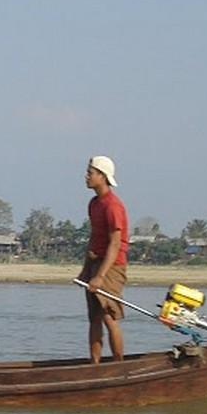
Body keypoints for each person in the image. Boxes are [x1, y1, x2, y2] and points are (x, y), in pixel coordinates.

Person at [79, 155, 129, 363]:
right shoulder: (94, 203)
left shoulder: (112, 206)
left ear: (102, 176)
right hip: (95, 262)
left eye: (90, 173)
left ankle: (118, 366)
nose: (86, 176)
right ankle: (95, 366)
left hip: (112, 266)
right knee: (95, 318)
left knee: (109, 316)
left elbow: (115, 244)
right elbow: (94, 238)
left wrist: (100, 276)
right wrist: (86, 269)